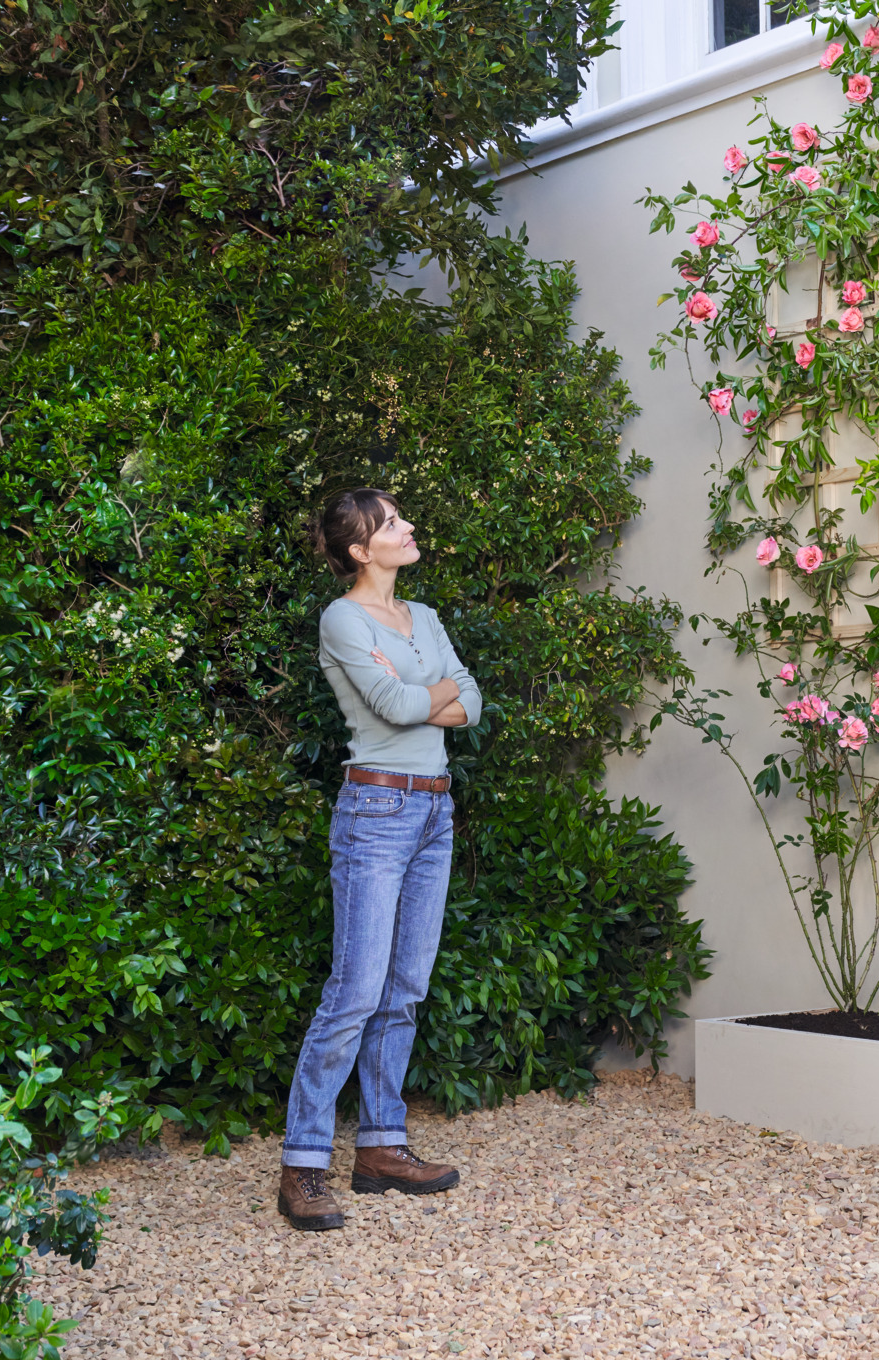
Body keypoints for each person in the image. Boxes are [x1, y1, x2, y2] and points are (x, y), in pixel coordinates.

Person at [279, 488, 482, 1232]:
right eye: (392, 523)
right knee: (356, 990)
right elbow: (398, 711)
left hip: (433, 807)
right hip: (376, 810)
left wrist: (422, 694)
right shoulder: (342, 618)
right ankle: (303, 1165)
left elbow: (473, 702)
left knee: (405, 987)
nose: (408, 527)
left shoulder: (422, 619)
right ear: (362, 551)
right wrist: (433, 695)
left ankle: (381, 1148)